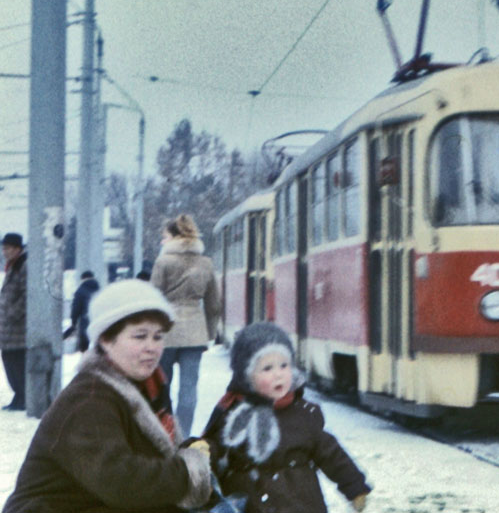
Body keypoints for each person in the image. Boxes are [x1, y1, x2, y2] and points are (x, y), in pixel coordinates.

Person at [2, 279, 212, 512]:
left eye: (158, 336)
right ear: (106, 340)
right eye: (140, 336)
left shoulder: (147, 387)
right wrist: (188, 474)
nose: (152, 347)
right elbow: (121, 482)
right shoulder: (89, 399)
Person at [200, 321, 371, 513]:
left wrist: (354, 487)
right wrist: (203, 451)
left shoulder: (305, 415)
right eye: (267, 369)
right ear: (246, 377)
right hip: (250, 505)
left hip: (301, 504)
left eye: (284, 365)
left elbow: (331, 453)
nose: (278, 375)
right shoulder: (233, 415)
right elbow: (215, 447)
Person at [152, 213, 222, 435]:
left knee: (162, 387)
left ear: (174, 236)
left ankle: (165, 433)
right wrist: (209, 333)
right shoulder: (206, 263)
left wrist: (150, 334)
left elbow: (153, 298)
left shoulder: (163, 262)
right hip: (194, 333)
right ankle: (184, 435)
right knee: (189, 389)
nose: (163, 241)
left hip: (166, 331)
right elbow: (214, 304)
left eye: (165, 236)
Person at [0, 232, 27, 411]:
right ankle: (19, 396)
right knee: (9, 361)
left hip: (18, 328)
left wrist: (11, 313)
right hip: (9, 329)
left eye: (8, 248)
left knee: (16, 363)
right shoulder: (13, 266)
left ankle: (23, 397)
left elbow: (27, 295)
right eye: (3, 248)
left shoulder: (24, 266)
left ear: (18, 249)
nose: (5, 252)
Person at [68, 270, 100, 352]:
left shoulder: (80, 291)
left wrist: (73, 322)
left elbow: (76, 308)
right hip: (98, 321)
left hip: (85, 322)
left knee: (84, 347)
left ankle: (85, 360)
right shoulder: (99, 289)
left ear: (82, 279)